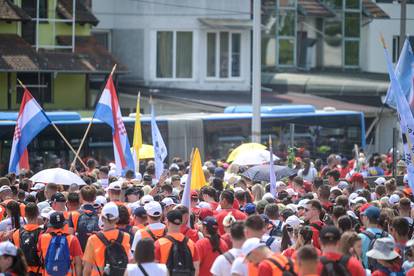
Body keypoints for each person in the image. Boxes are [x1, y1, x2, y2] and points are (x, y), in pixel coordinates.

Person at [83, 202, 131, 276]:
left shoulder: (93, 239)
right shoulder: (126, 237)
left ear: (102, 218)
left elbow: (87, 268)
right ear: (117, 219)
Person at [154, 209, 200, 275]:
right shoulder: (191, 244)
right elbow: (196, 270)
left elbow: (154, 270)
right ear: (181, 223)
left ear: (167, 222)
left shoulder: (159, 244)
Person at [38, 212, 83, 276]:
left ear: (50, 225)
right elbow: (78, 262)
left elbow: (40, 257)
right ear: (64, 224)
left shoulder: (42, 238)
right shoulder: (72, 239)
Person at [12, 203, 43, 275]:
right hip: (39, 271)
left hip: (23, 271)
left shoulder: (16, 233)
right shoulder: (43, 233)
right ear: (38, 213)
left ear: (25, 214)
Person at [68, 185, 100, 251]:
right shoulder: (99, 215)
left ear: (81, 197)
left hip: (79, 251)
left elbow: (70, 236)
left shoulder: (74, 214)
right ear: (95, 198)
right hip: (96, 250)